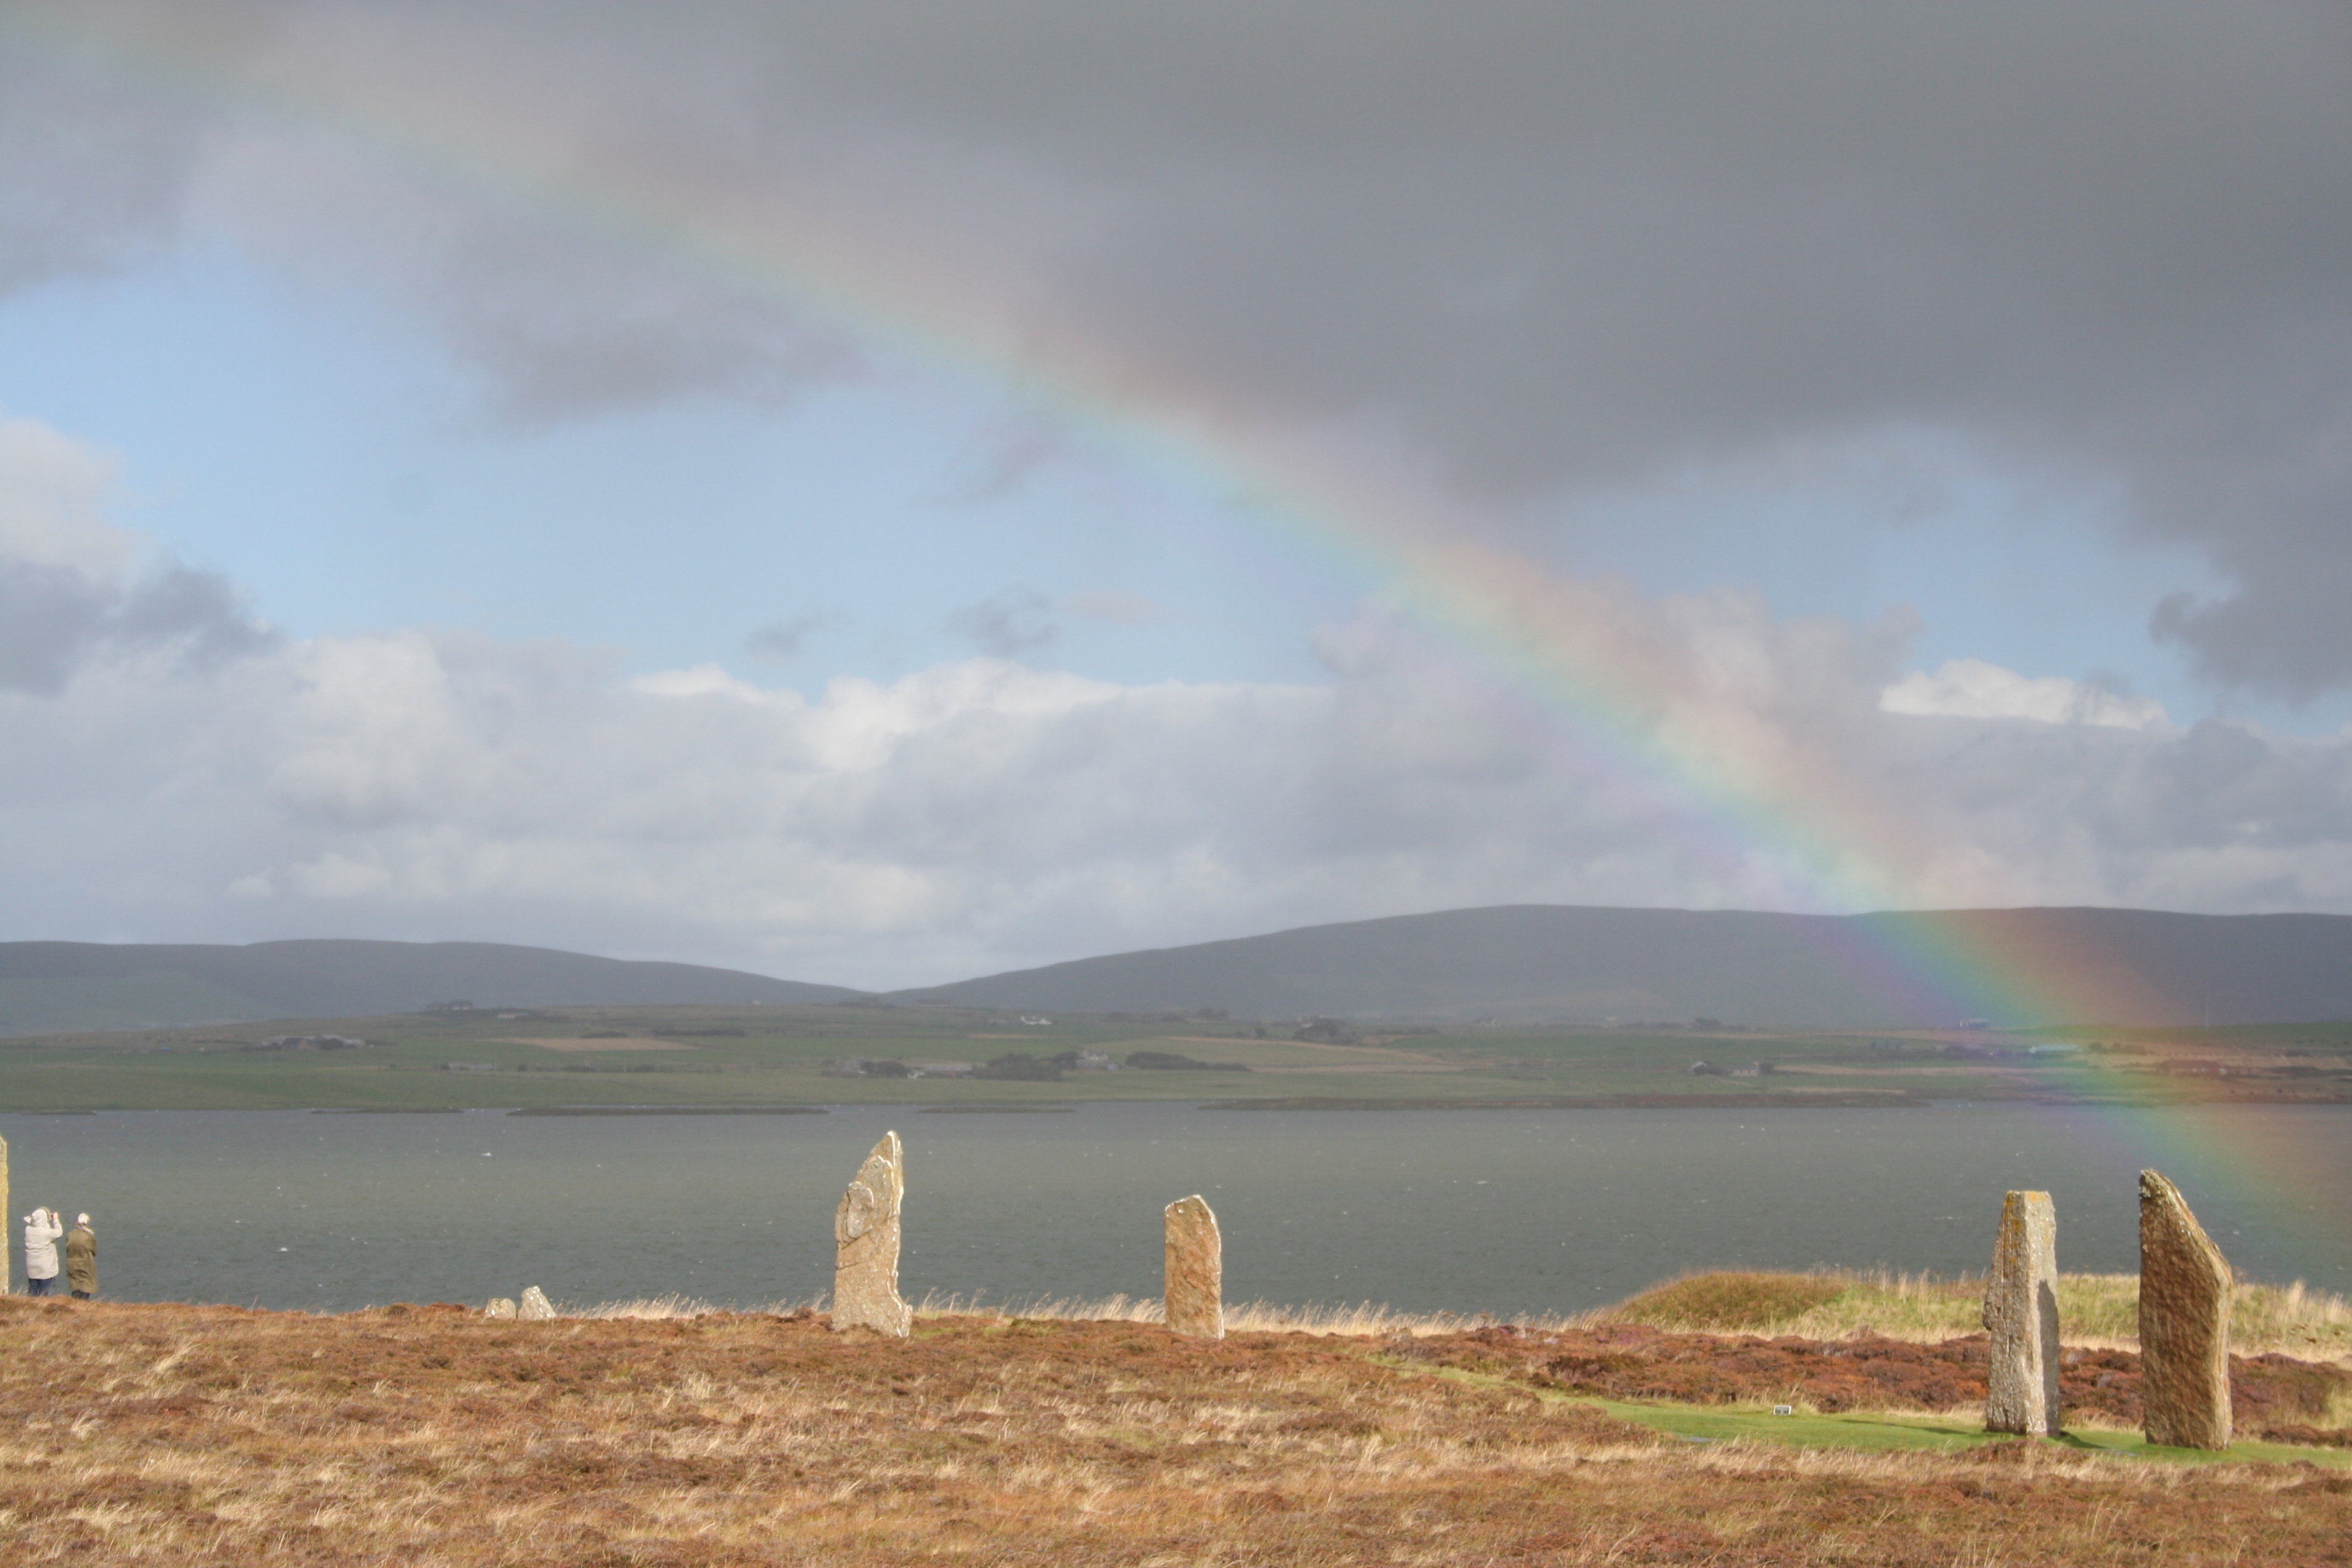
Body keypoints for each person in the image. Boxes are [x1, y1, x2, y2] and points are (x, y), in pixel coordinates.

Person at [22, 1207, 62, 1297]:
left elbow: (33, 1223)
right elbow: (59, 1232)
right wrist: (55, 1220)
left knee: (32, 1291)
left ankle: (29, 1309)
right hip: (45, 1269)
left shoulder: (28, 1230)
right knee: (44, 1293)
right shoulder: (46, 1233)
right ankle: (41, 1309)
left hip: (32, 1268)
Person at [65, 1214, 96, 1300]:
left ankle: (75, 1305)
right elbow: (94, 1250)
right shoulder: (89, 1236)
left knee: (75, 1286)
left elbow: (68, 1249)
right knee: (86, 1286)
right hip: (85, 1264)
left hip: (72, 1263)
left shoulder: (70, 1234)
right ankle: (83, 1306)